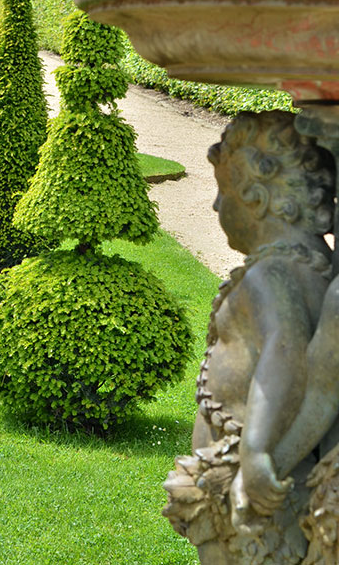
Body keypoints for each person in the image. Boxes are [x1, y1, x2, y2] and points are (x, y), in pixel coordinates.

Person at [164, 110, 336, 564]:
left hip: (251, 484)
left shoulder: (273, 275)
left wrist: (257, 447)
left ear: (257, 198)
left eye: (223, 194)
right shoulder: (310, 270)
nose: (216, 208)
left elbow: (286, 348)